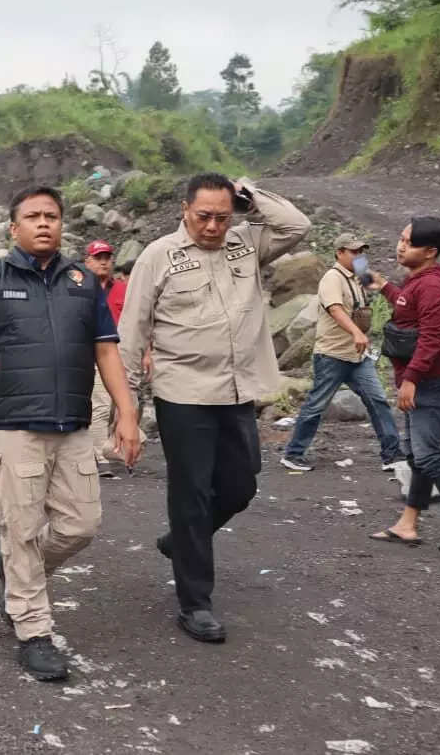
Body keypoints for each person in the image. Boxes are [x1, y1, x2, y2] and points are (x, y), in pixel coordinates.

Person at [0, 186, 141, 681]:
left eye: (52, 216)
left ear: (62, 224)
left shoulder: (83, 282)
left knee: (80, 525)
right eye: (33, 216)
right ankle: (33, 630)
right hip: (15, 427)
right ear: (14, 226)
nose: (44, 223)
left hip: (73, 425)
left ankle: (16, 573)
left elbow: (106, 350)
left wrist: (127, 414)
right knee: (19, 531)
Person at [120, 173, 310, 644]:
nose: (212, 226)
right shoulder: (159, 256)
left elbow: (296, 225)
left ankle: (181, 541)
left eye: (222, 217)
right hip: (182, 394)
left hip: (237, 391)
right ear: (185, 209)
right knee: (191, 496)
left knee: (241, 486)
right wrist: (126, 409)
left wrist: (251, 195)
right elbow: (132, 333)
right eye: (203, 216)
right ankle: (195, 603)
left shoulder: (246, 244)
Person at [366, 217, 440, 553]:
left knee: (428, 454)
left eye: (409, 242)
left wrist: (411, 379)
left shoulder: (431, 286)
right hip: (421, 381)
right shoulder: (417, 281)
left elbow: (432, 337)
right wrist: (383, 286)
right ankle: (407, 524)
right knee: (417, 456)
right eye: (401, 239)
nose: (401, 246)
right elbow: (407, 306)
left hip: (435, 382)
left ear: (430, 251)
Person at [281, 233, 409, 475]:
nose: (360, 256)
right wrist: (356, 333)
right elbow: (335, 309)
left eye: (362, 252)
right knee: (316, 405)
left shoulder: (357, 277)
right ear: (339, 253)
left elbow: (371, 294)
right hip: (333, 355)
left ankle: (392, 454)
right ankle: (293, 454)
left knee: (378, 401)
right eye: (354, 252)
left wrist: (377, 281)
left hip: (357, 356)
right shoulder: (332, 277)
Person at [83, 240, 146, 477]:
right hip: (94, 354)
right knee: (100, 405)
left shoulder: (123, 289)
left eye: (107, 258)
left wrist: (147, 352)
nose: (103, 262)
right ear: (87, 261)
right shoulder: (79, 287)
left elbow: (140, 321)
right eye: (98, 258)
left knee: (127, 405)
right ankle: (100, 458)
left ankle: (116, 449)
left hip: (124, 355)